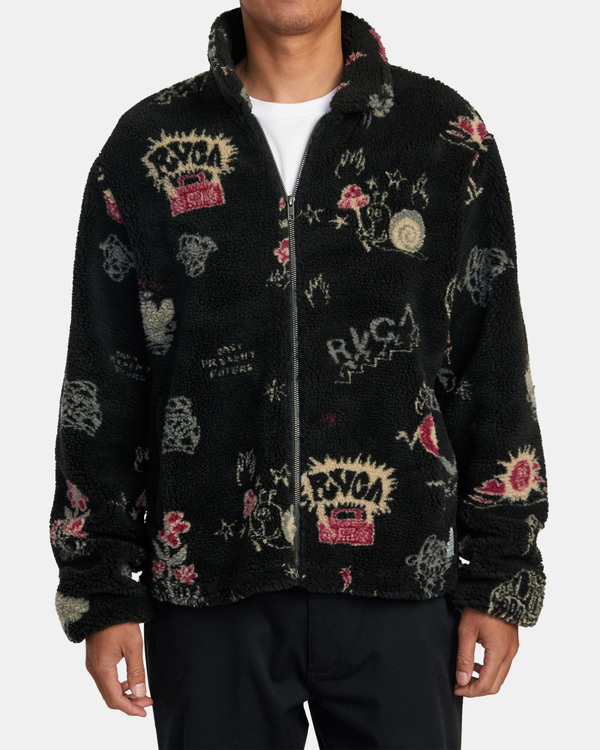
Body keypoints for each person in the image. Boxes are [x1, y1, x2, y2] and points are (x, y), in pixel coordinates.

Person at [49, 1, 549, 748]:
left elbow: (493, 361)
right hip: (210, 585)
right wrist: (101, 589)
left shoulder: (444, 136)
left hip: (401, 581)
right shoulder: (148, 144)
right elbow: (105, 374)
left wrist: (501, 575)